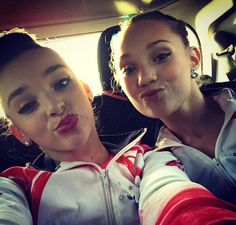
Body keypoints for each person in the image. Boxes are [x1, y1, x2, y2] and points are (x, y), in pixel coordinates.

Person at [0, 29, 236, 225]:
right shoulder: (16, 188)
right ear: (20, 133)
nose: (55, 106)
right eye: (28, 105)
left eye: (61, 83)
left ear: (86, 90)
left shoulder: (150, 158)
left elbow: (177, 199)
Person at [110, 10, 236, 205]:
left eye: (161, 56)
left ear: (193, 58)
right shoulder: (151, 161)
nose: (145, 78)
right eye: (129, 69)